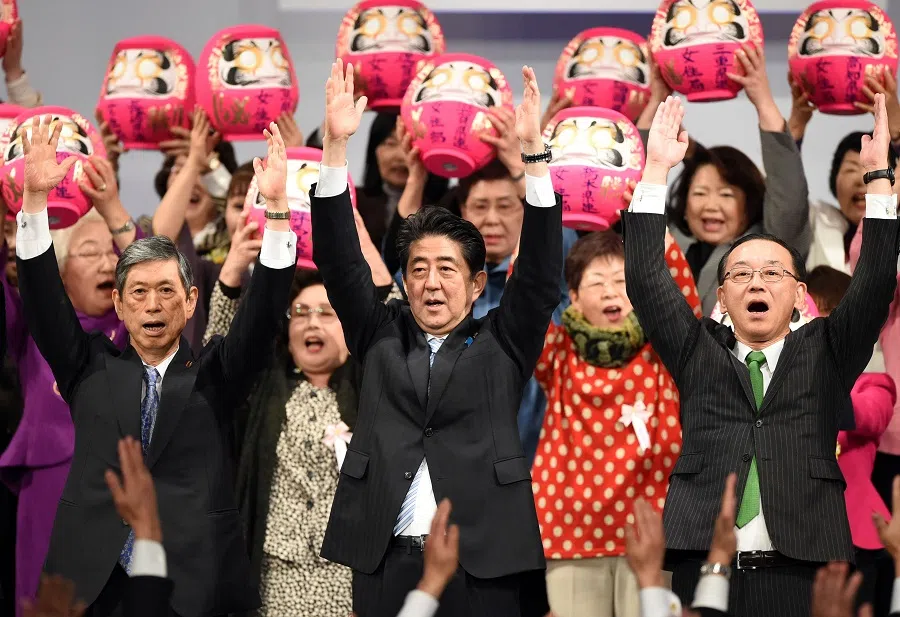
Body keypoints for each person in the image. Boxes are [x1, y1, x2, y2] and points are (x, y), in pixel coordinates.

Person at [621, 93, 900, 617]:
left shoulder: (828, 351)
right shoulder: (696, 348)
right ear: (721, 297)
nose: (756, 280)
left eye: (773, 272)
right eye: (741, 273)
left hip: (804, 566)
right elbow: (643, 275)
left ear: (799, 295)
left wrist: (880, 178)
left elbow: (877, 278)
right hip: (703, 559)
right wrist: (655, 168)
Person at [14, 115, 297, 616]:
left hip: (191, 586)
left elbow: (262, 315)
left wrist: (278, 212)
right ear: (119, 307)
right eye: (138, 293)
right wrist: (34, 206)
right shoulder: (89, 368)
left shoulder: (215, 376)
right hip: (91, 585)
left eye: (166, 291)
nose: (152, 305)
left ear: (191, 303)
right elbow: (41, 302)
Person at [312, 59, 561, 617]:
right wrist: (334, 149)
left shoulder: (503, 341)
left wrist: (535, 160)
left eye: (447, 270)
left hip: (485, 560)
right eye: (418, 268)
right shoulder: (378, 332)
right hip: (386, 555)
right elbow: (335, 258)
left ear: (477, 285)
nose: (430, 282)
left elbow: (542, 276)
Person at [202, 209, 400, 617]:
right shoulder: (261, 391)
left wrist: (362, 243)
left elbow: (401, 341)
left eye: (327, 313)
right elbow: (218, 357)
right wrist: (234, 268)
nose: (313, 322)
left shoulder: (373, 391)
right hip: (275, 575)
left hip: (348, 578)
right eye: (301, 313)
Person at [531, 230, 700, 617]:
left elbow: (686, 301)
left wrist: (652, 227)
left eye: (622, 281)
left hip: (652, 533)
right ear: (572, 296)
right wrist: (535, 215)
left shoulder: (664, 350)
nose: (610, 292)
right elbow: (526, 304)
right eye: (596, 282)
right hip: (569, 534)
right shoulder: (558, 353)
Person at [1, 157, 137, 617]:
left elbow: (159, 277)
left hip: (128, 487)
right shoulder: (34, 325)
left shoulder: (142, 330)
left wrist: (116, 211)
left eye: (112, 253)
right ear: (58, 269)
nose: (107, 262)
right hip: (52, 483)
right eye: (89, 252)